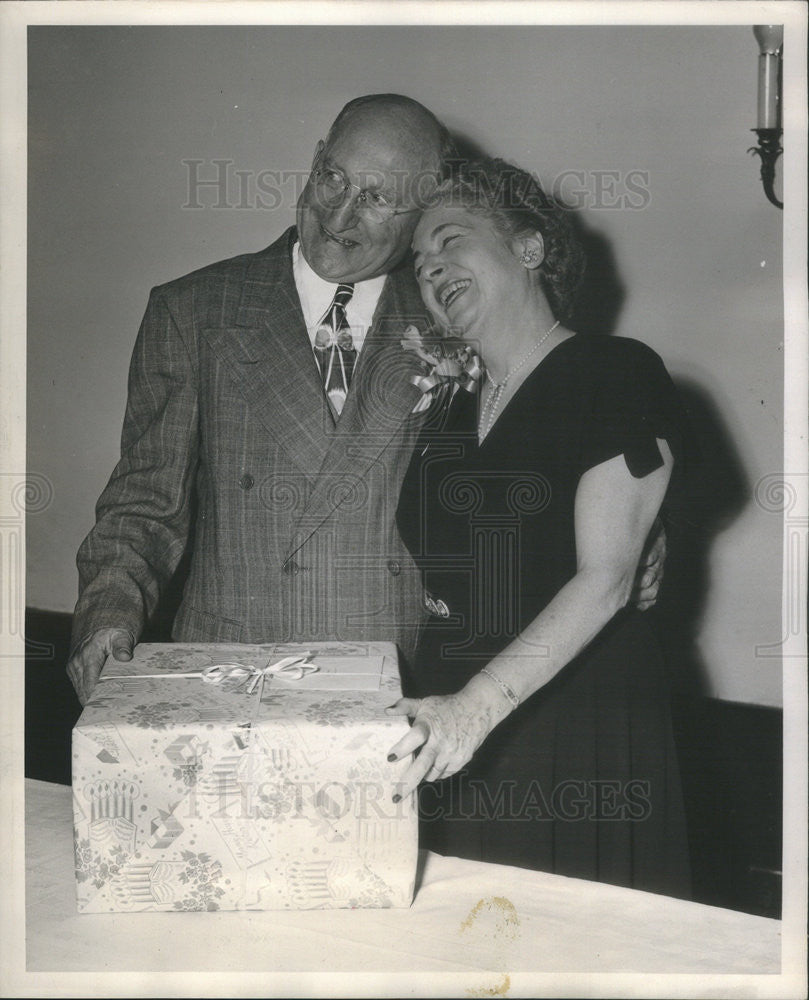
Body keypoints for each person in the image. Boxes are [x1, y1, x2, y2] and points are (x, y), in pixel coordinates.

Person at [67, 95, 664, 706]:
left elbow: (536, 457)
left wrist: (634, 538)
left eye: (377, 199)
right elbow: (143, 503)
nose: (340, 214)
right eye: (333, 178)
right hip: (232, 678)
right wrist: (108, 618)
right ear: (316, 159)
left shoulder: (459, 314)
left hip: (401, 689)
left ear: (419, 217)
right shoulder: (194, 311)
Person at [387, 158, 692, 898]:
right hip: (453, 718)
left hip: (569, 718)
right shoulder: (448, 409)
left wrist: (473, 711)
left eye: (451, 242)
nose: (431, 270)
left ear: (527, 249)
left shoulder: (614, 371)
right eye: (421, 264)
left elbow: (607, 576)